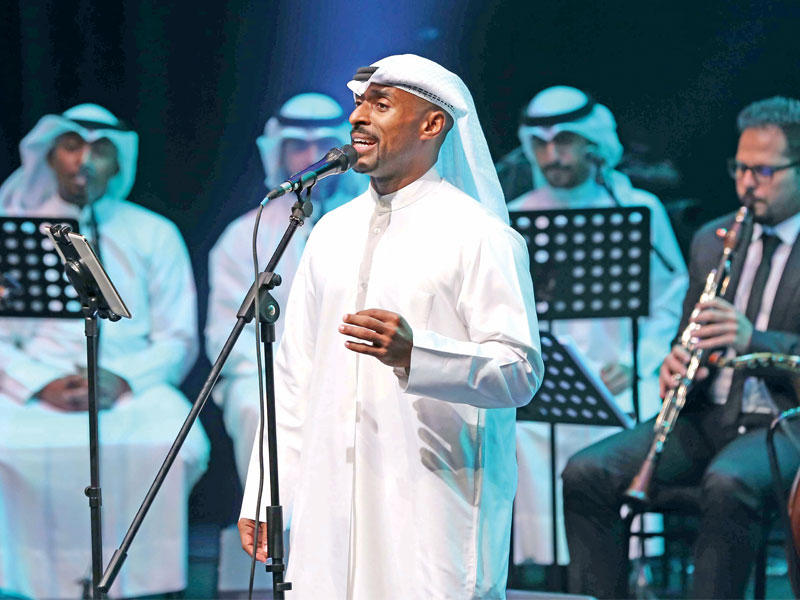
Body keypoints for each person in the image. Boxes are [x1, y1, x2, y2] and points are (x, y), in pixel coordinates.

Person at [237, 54, 544, 598]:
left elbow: (519, 371)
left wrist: (417, 354)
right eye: (359, 103)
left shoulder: (479, 235)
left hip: (430, 496)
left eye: (380, 105)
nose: (358, 116)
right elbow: (292, 375)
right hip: (329, 494)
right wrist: (265, 492)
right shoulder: (329, 232)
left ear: (432, 124)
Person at [561, 95, 800, 599]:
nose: (747, 183)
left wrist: (752, 340)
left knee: (729, 483)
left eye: (763, 171)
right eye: (740, 168)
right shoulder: (713, 240)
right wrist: (675, 360)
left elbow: (758, 343)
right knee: (586, 472)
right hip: (707, 417)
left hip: (785, 421)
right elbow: (689, 332)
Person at [0, 104, 209, 598]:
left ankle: (139, 584)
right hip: (36, 382)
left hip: (131, 385)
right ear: (50, 156)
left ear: (118, 163)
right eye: (72, 147)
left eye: (99, 151)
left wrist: (123, 380)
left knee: (179, 444)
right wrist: (39, 384)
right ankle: (26, 584)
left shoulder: (154, 232)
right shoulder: (15, 230)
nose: (84, 162)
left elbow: (178, 337)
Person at [507, 85, 688, 565]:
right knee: (524, 433)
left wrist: (636, 361)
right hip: (549, 383)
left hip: (623, 377)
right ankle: (546, 571)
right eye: (541, 144)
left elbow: (671, 298)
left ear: (593, 143)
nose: (553, 156)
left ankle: (630, 570)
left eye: (564, 141)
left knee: (637, 415)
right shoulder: (518, 217)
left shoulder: (638, 209)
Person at [206, 92, 365, 483]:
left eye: (324, 145)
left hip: (359, 370)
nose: (312, 157)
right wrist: (291, 374)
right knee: (258, 408)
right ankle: (272, 520)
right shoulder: (245, 234)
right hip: (270, 373)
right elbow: (227, 334)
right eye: (298, 147)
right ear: (278, 153)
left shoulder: (375, 220)